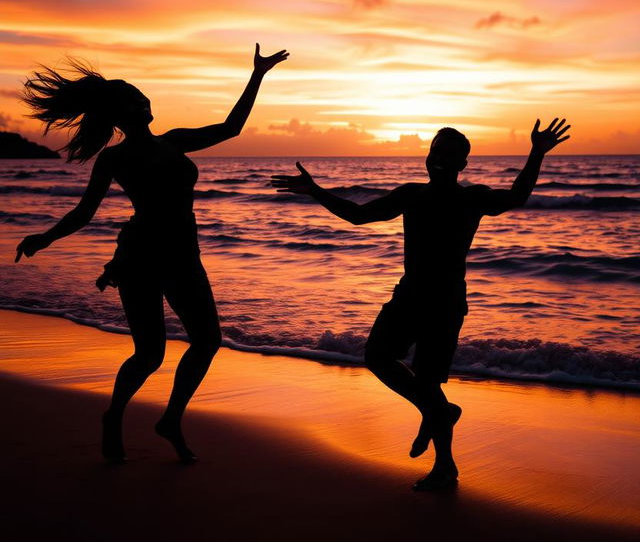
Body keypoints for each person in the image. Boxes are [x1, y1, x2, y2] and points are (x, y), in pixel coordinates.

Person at [15, 44, 288, 463]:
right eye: (134, 96)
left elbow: (232, 127)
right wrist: (44, 238)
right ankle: (115, 417)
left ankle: (171, 419)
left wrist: (258, 75)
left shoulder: (174, 142)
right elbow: (85, 212)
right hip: (142, 258)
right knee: (150, 353)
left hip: (181, 255)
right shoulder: (114, 158)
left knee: (207, 340)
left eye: (141, 93)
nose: (144, 98)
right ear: (124, 112)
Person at [271, 118, 570, 491]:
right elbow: (359, 215)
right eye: (435, 152)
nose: (440, 159)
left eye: (449, 155)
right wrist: (316, 191)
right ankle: (440, 413)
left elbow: (515, 197)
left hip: (445, 303)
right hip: (409, 295)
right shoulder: (412, 194)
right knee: (378, 357)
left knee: (428, 381)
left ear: (463, 165)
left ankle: (444, 464)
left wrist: (535, 154)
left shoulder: (470, 198)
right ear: (427, 157)